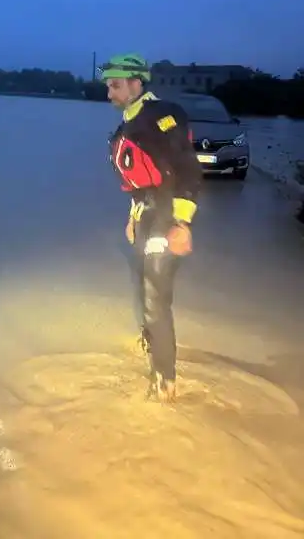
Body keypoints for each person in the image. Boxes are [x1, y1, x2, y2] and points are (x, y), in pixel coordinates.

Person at [99, 54, 201, 403]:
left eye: (114, 85)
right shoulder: (126, 124)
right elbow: (137, 180)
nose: (109, 93)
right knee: (146, 286)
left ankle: (164, 384)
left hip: (166, 216)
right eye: (107, 86)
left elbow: (187, 169)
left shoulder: (162, 116)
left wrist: (182, 223)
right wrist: (131, 216)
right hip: (145, 215)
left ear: (136, 83)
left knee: (156, 297)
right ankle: (151, 345)